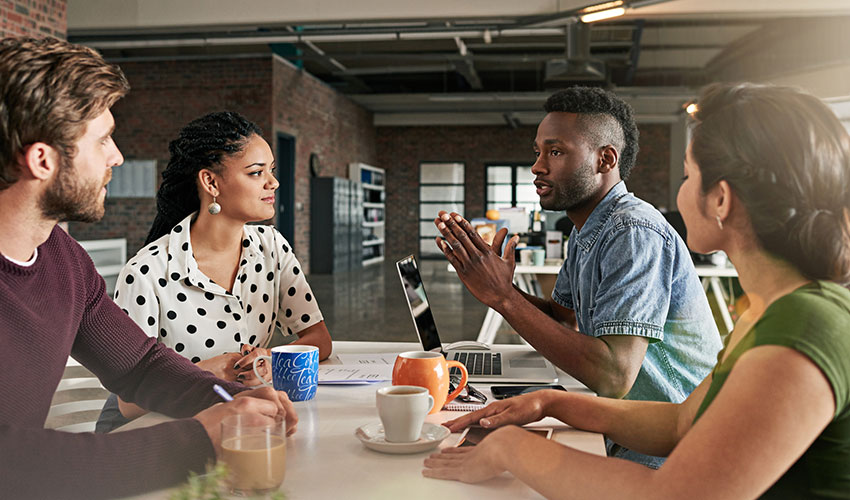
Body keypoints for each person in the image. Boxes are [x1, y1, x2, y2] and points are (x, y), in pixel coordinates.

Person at [424, 83, 850, 498]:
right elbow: (682, 422)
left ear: (720, 199)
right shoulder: (767, 315)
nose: (678, 195)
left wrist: (509, 447)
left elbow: (676, 491)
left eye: (687, 175)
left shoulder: (805, 323)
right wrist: (548, 403)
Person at [0, 37, 297, 499]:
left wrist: (230, 400)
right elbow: (10, 463)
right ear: (43, 160)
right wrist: (202, 438)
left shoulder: (63, 258)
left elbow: (139, 364)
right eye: (102, 140)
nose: (116, 156)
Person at [434, 86, 721, 467]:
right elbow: (563, 319)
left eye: (555, 152)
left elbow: (614, 375)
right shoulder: (587, 229)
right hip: (622, 430)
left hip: (667, 450)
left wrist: (505, 297)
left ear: (605, 159)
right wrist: (495, 288)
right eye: (537, 152)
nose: (538, 166)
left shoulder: (631, 231)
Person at [96, 111, 332, 432]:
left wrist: (270, 358)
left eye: (271, 171)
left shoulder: (272, 247)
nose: (273, 182)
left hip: (239, 418)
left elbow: (318, 338)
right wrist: (206, 373)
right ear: (211, 182)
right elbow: (128, 403)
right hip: (154, 431)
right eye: (255, 172)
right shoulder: (146, 272)